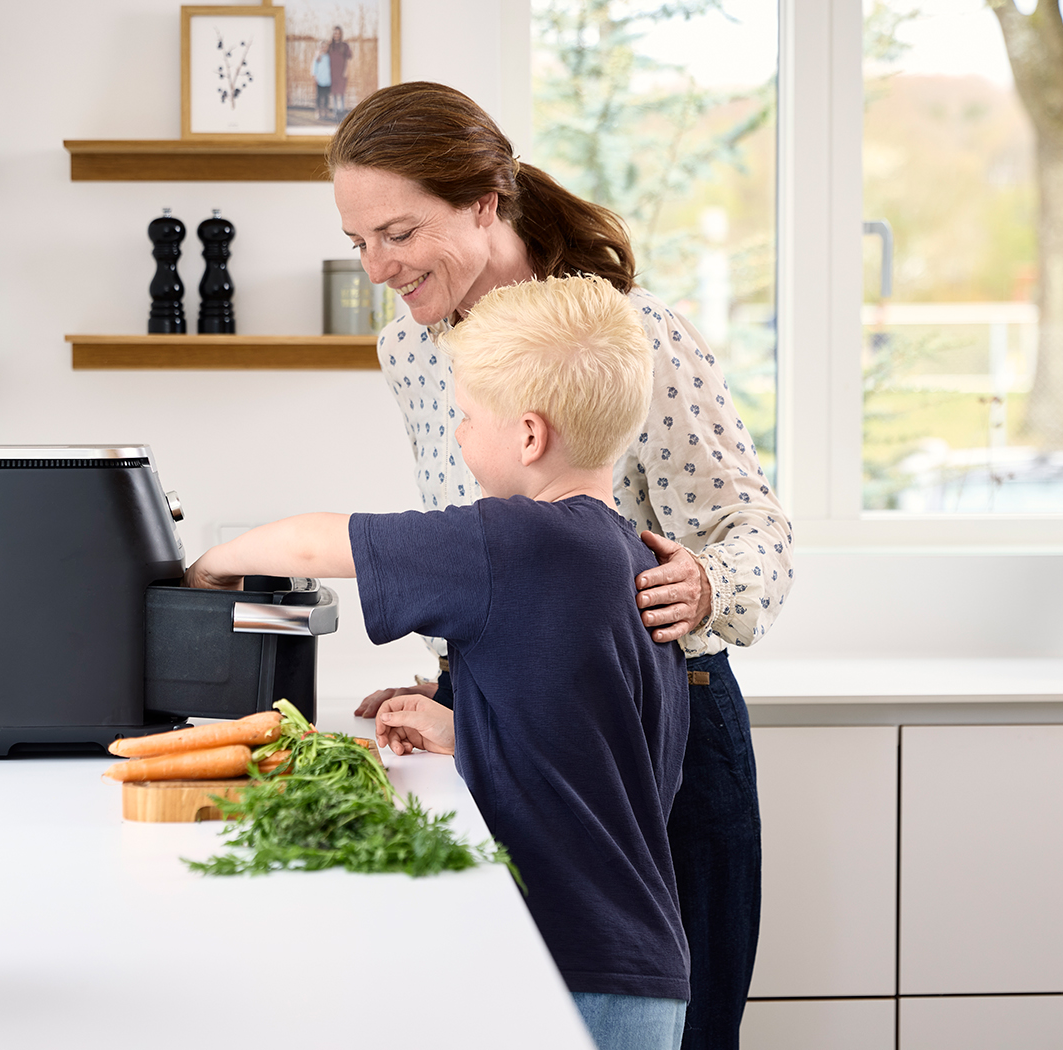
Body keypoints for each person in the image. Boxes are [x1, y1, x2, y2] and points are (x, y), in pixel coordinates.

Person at [328, 82, 793, 1050]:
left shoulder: (634, 335)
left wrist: (709, 582)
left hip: (657, 735)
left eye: (398, 233)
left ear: (484, 205)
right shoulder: (410, 348)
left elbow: (759, 534)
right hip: (505, 747)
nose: (377, 268)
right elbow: (488, 548)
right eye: (359, 240)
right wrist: (474, 681)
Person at [187, 274, 692, 1050]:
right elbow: (594, 748)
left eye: (464, 417)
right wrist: (467, 730)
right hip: (636, 960)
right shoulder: (626, 556)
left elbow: (313, 544)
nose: (457, 435)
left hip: (574, 966)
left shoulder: (516, 539)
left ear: (528, 435)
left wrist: (208, 568)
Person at [326, 25, 352, 118]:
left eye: (338, 33)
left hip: (341, 72)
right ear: (333, 34)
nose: (336, 35)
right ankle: (335, 110)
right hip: (332, 73)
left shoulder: (345, 46)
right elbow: (323, 54)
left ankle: (341, 110)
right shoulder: (330, 46)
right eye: (335, 33)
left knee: (341, 92)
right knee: (333, 92)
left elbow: (348, 59)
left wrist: (346, 71)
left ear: (341, 34)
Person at [311, 40, 331, 120]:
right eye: (322, 46)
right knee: (319, 97)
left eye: (325, 46)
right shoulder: (318, 56)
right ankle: (318, 112)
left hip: (328, 80)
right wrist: (314, 77)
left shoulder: (329, 57)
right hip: (319, 80)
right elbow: (314, 68)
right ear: (320, 47)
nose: (324, 48)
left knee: (326, 96)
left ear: (327, 47)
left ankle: (326, 111)